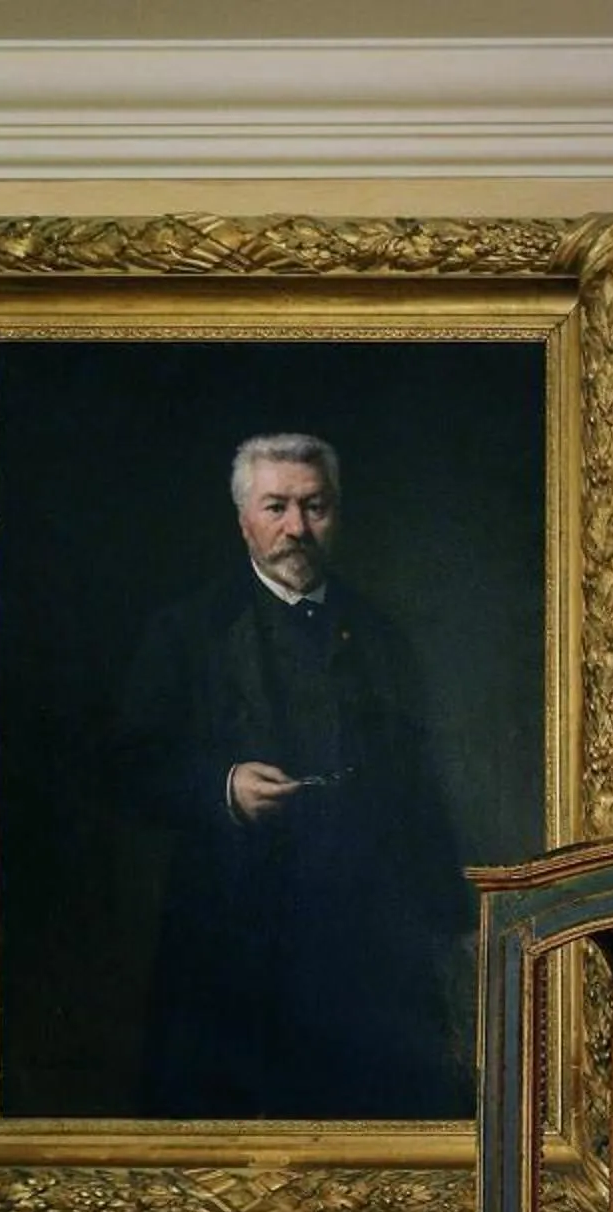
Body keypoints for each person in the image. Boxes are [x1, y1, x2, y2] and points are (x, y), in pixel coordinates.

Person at [115, 432, 473, 1120]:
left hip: (362, 936)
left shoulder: (379, 637)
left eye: (315, 507)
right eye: (276, 507)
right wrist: (220, 786)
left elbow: (419, 791)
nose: (296, 529)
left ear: (337, 514)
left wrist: (452, 923)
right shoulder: (188, 630)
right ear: (243, 519)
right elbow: (130, 765)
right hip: (231, 935)